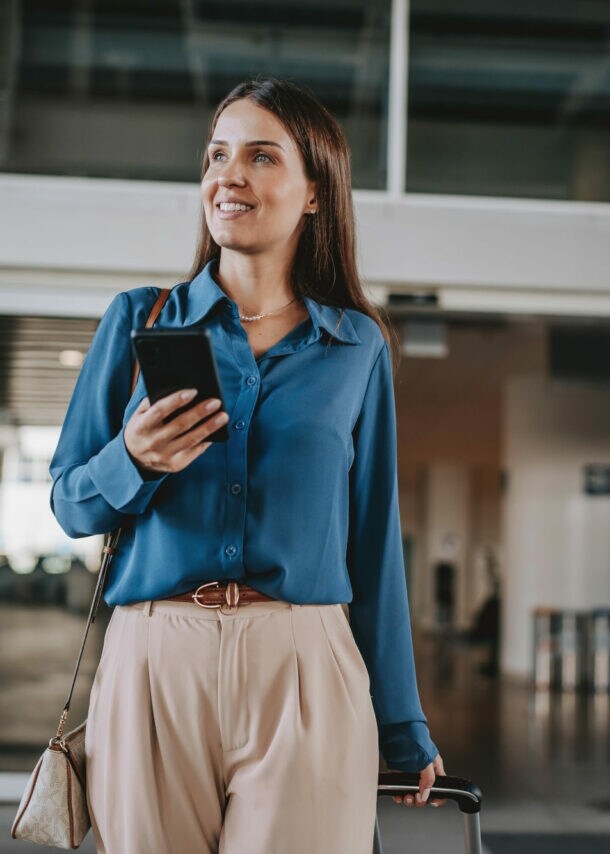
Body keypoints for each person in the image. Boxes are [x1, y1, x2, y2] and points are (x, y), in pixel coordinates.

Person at [49, 77, 446, 854]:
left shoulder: (355, 346)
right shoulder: (138, 319)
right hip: (154, 660)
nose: (227, 175)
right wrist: (131, 459)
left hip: (303, 660)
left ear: (313, 195)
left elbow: (373, 541)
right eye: (216, 156)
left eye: (261, 156)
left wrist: (402, 723)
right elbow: (70, 505)